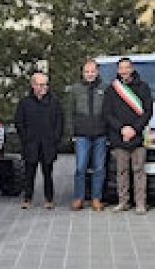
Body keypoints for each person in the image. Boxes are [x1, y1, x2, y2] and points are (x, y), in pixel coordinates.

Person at [102, 57, 153, 214]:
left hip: (138, 136)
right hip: (119, 136)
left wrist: (134, 129)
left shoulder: (143, 87)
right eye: (121, 68)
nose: (124, 71)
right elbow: (107, 113)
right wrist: (122, 129)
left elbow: (148, 111)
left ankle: (140, 204)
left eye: (127, 67)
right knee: (122, 171)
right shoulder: (112, 89)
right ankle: (123, 202)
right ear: (118, 70)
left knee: (139, 171)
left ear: (132, 69)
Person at [15, 72, 63, 209]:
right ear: (33, 85)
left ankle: (49, 199)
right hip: (31, 144)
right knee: (29, 173)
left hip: (48, 144)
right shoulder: (25, 103)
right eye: (40, 84)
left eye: (45, 84)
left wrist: (55, 139)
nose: (43, 87)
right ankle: (27, 199)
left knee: (48, 173)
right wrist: (25, 138)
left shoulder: (54, 102)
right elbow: (19, 122)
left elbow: (59, 122)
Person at [65, 58, 107, 211]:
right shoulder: (75, 89)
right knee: (81, 167)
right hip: (82, 135)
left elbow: (109, 112)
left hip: (100, 134)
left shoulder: (105, 88)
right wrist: (71, 133)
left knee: (99, 168)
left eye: (92, 71)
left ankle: (96, 199)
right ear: (82, 73)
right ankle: (78, 198)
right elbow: (69, 112)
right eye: (87, 71)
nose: (90, 74)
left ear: (97, 72)